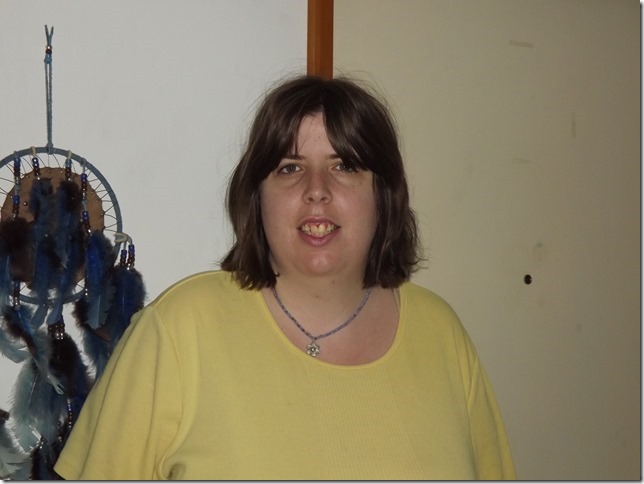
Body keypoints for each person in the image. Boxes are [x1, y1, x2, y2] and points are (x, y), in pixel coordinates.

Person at [53, 75, 516, 480]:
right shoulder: (178, 330)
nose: (317, 190)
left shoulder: (442, 333)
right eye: (290, 168)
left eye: (345, 166)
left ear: (384, 194)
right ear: (257, 197)